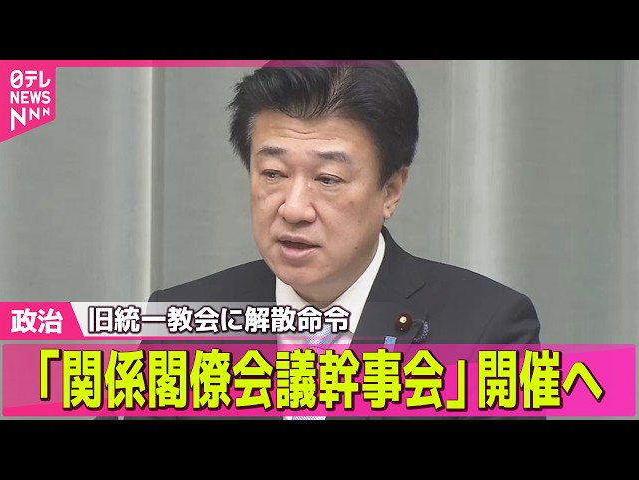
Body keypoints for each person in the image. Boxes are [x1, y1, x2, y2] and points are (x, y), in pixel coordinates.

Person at [127, 60, 542, 420]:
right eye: (273, 174)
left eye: (328, 179)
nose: (294, 208)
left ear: (391, 190)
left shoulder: (485, 332)